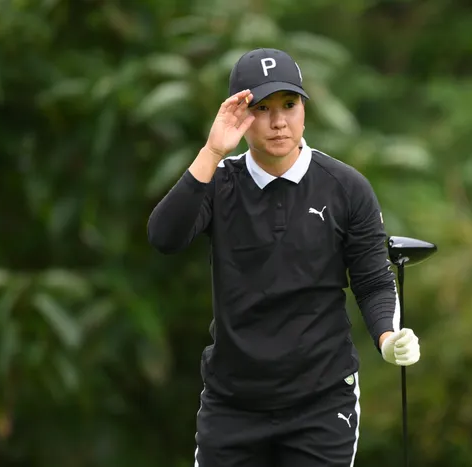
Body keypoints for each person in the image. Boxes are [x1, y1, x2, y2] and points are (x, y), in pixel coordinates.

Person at [147, 47, 422, 467]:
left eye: (289, 105)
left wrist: (388, 337)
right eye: (262, 108)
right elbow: (164, 237)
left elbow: (372, 280)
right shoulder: (219, 183)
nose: (279, 121)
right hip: (233, 403)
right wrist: (212, 151)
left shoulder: (346, 187)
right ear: (240, 116)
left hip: (321, 403)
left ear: (304, 110)